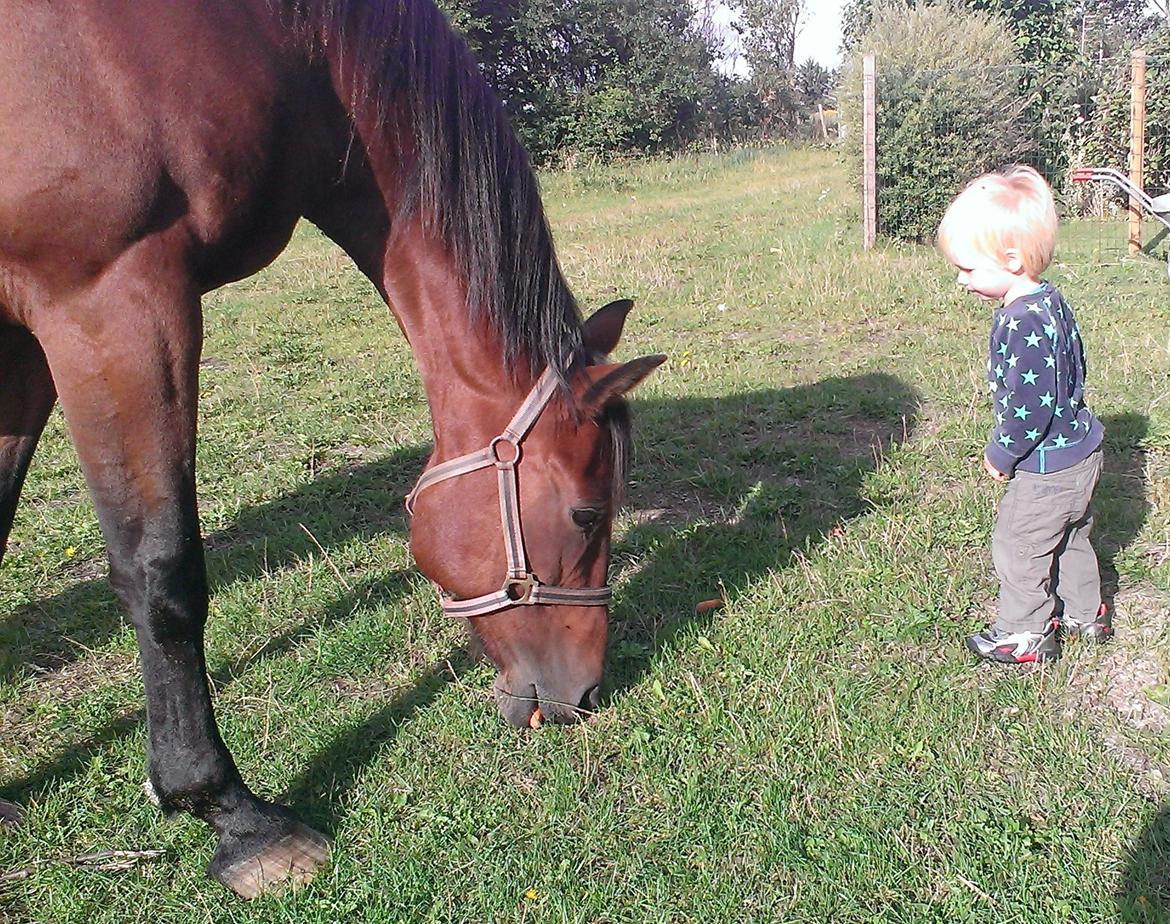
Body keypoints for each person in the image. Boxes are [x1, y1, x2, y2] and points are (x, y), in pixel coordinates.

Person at [936, 165, 1112, 663]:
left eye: (969, 268)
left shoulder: (1020, 321)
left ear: (1011, 260)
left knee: (1020, 545)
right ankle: (1085, 613)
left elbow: (1030, 407)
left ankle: (1025, 632)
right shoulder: (1051, 300)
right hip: (1082, 451)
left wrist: (1001, 451)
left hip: (1046, 468)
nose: (961, 279)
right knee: (1071, 537)